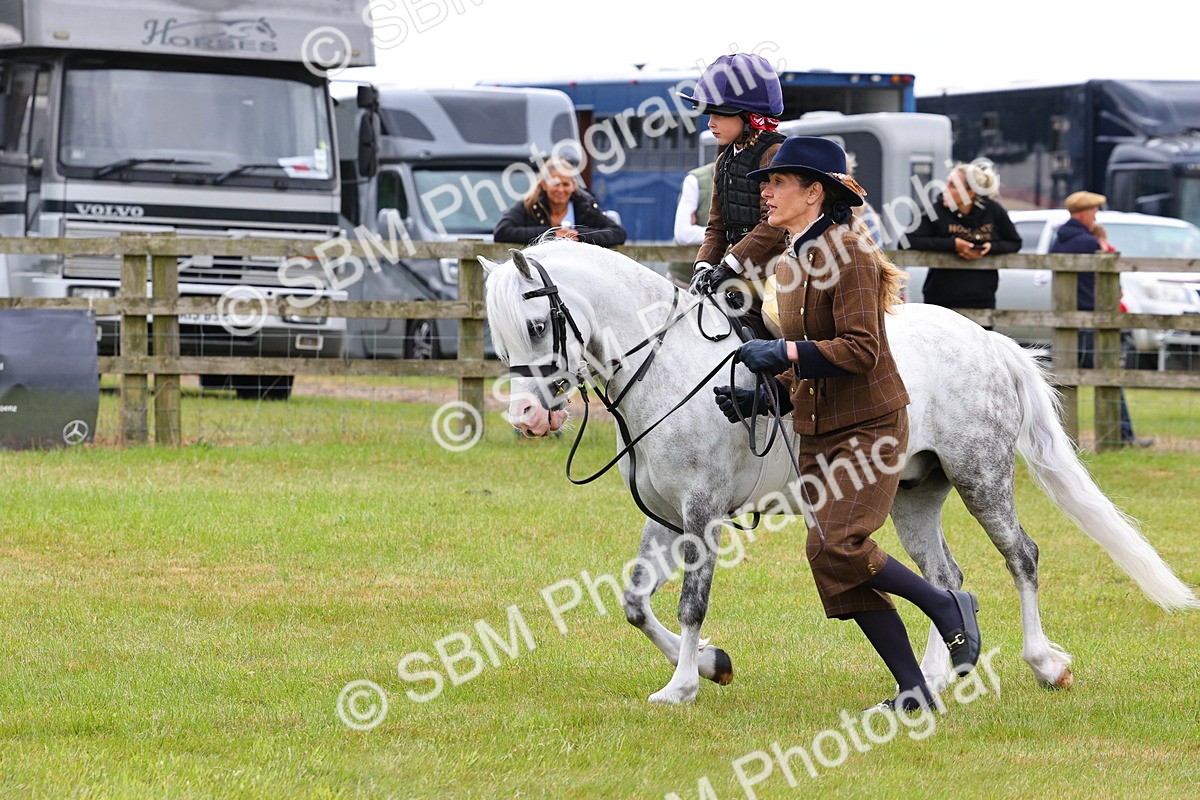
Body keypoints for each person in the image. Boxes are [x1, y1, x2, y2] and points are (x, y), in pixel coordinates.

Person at [713, 136, 982, 711]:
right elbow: (816, 354)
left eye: (778, 183)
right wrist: (771, 397)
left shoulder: (850, 254)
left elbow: (860, 349)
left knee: (840, 544)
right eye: (765, 182)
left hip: (871, 426)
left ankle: (945, 603)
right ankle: (914, 689)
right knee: (830, 559)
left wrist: (782, 353)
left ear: (814, 193)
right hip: (819, 426)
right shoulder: (793, 258)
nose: (765, 191)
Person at [678, 53, 787, 333]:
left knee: (775, 324)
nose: (710, 123)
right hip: (740, 271)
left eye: (718, 115)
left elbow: (772, 224)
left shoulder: (772, 153)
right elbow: (717, 226)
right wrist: (703, 265)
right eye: (709, 115)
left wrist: (729, 264)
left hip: (779, 272)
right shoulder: (724, 160)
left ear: (749, 117)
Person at [1049, 191, 1152, 447]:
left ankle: (1057, 437)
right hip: (1093, 318)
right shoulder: (1088, 242)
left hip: (1069, 320)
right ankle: (1122, 435)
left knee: (1064, 380)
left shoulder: (1059, 240)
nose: (1096, 216)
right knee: (1108, 377)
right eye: (1094, 211)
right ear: (1084, 213)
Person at [902, 161, 1022, 318]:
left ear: (970, 193)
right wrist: (953, 245)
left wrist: (990, 247)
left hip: (982, 301)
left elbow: (1015, 242)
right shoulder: (936, 210)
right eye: (947, 183)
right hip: (940, 302)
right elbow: (906, 241)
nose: (945, 190)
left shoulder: (993, 210)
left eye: (952, 185)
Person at [493, 156, 626, 248]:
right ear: (544, 184)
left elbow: (618, 233)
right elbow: (502, 231)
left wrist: (579, 235)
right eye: (555, 184)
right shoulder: (529, 205)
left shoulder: (586, 206)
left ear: (574, 185)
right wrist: (550, 234)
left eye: (566, 184)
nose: (561, 189)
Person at [668, 162, 716, 288]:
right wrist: (722, 233)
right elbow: (683, 235)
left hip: (723, 283)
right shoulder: (695, 179)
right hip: (683, 280)